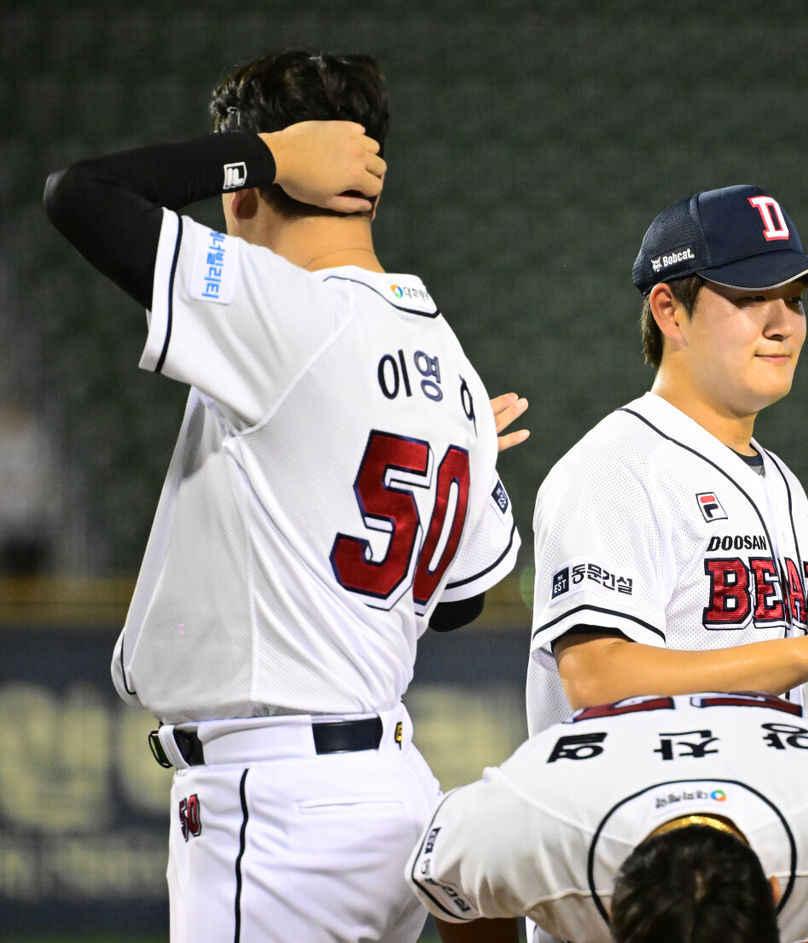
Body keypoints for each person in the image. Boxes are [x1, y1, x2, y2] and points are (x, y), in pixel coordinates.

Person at [43, 50, 526, 943]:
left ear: (241, 192)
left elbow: (80, 194)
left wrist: (257, 153)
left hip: (280, 813)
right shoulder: (449, 361)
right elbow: (458, 602)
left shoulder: (281, 308)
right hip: (388, 792)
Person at [525, 185, 808, 737]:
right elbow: (598, 679)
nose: (783, 323)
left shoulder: (783, 483)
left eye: (795, 298)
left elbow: (757, 700)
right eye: (752, 296)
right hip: (629, 815)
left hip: (742, 809)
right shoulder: (615, 467)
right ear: (668, 311)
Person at [406, 691, 808, 943]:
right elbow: (443, 870)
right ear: (613, 902)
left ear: (777, 887)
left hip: (793, 757)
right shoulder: (534, 821)